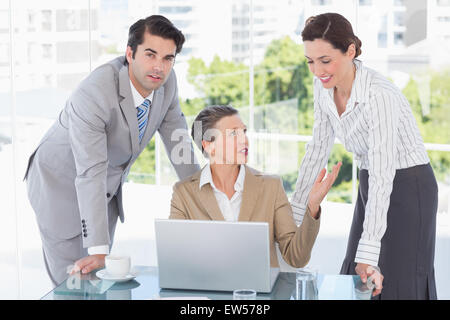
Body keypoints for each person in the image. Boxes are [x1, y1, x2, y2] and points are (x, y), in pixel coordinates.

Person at [24, 15, 200, 286]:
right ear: (130, 53)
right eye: (150, 55)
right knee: (74, 283)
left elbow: (178, 141)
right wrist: (97, 249)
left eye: (168, 58)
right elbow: (90, 171)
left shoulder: (167, 82)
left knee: (102, 281)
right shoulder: (95, 93)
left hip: (103, 187)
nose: (159, 67)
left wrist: (202, 198)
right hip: (59, 185)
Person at [290, 13, 438, 299]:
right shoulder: (323, 87)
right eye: (310, 61)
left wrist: (369, 252)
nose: (317, 70)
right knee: (355, 276)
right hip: (371, 179)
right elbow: (317, 148)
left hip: (409, 185)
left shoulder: (379, 95)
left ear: (350, 51)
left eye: (325, 60)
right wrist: (295, 214)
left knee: (393, 276)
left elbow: (386, 173)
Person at [170, 105, 341, 268]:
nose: (244, 140)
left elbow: (296, 257)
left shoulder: (270, 186)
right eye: (233, 134)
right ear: (209, 145)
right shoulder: (183, 193)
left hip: (259, 294)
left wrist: (312, 207)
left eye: (243, 132)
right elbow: (176, 256)